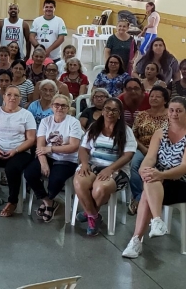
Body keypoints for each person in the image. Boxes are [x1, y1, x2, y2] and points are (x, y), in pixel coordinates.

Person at [122, 95, 186, 258]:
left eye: (179, 111)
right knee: (150, 180)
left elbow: (183, 168)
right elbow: (150, 158)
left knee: (148, 189)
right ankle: (156, 222)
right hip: (159, 180)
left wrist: (160, 174)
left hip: (181, 183)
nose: (174, 114)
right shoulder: (160, 133)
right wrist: (144, 169)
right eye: (171, 110)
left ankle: (136, 241)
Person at [74, 97, 136, 236]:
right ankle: (94, 216)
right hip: (93, 164)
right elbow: (83, 149)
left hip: (117, 168)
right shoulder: (94, 127)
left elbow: (128, 155)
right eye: (107, 109)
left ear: (120, 114)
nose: (110, 112)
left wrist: (110, 169)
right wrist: (84, 164)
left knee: (100, 189)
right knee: (79, 182)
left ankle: (89, 213)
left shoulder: (126, 131)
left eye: (115, 110)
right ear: (102, 111)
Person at [24, 94, 84, 222]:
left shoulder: (73, 122)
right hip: (48, 157)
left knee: (55, 179)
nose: (59, 108)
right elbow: (40, 144)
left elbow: (73, 146)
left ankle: (49, 200)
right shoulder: (46, 121)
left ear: (68, 108)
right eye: (56, 105)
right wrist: (43, 161)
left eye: (63, 105)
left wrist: (50, 148)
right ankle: (47, 201)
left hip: (67, 160)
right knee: (29, 173)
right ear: (52, 106)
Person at [0, 86, 37, 216]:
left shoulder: (26, 115)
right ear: (4, 97)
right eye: (9, 94)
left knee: (13, 168)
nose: (12, 98)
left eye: (16, 95)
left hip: (19, 150)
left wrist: (15, 150)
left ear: (20, 99)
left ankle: (12, 201)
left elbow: (31, 139)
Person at [128, 86, 169, 215]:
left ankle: (150, 199)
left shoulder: (171, 114)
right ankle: (139, 197)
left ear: (165, 100)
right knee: (134, 164)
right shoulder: (142, 114)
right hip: (143, 148)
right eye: (151, 96)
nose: (153, 98)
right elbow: (133, 135)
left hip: (164, 150)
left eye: (158, 96)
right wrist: (143, 149)